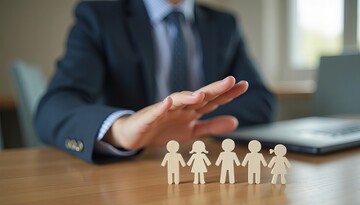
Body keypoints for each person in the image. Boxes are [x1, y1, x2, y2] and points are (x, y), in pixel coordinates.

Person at [35, 0, 276, 163]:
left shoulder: (225, 24)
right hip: (133, 168)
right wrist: (120, 129)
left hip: (203, 158)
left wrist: (188, 117)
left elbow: (261, 101)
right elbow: (53, 107)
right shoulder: (99, 16)